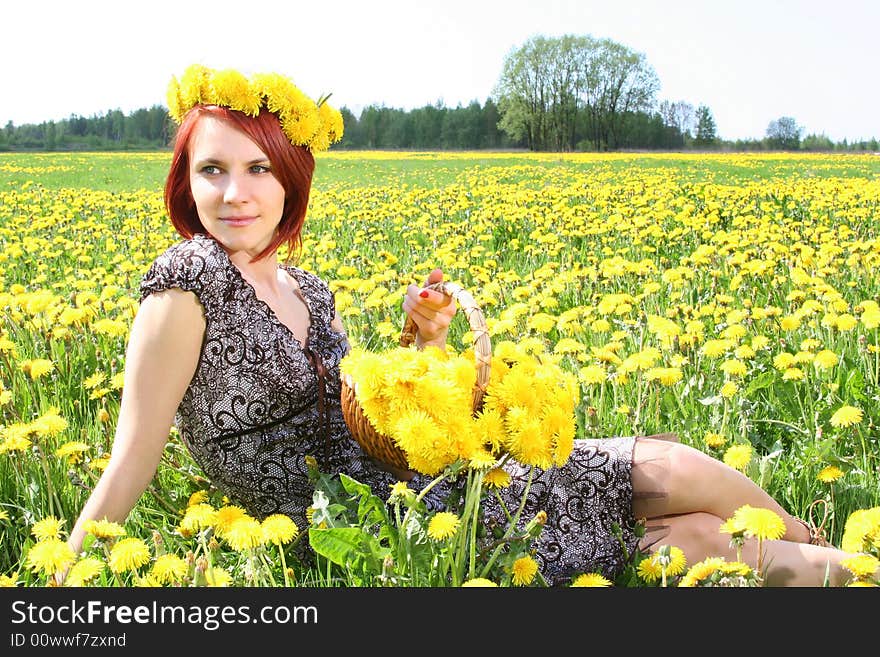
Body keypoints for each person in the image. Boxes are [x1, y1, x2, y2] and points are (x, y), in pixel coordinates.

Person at [68, 64, 858, 587]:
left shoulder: (306, 286)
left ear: (290, 180)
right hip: (380, 527)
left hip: (427, 476)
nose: (235, 193)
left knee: (680, 467)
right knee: (697, 540)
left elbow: (377, 412)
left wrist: (423, 339)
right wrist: (65, 590)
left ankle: (839, 552)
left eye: (258, 168)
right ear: (186, 180)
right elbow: (131, 455)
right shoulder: (185, 283)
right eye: (213, 169)